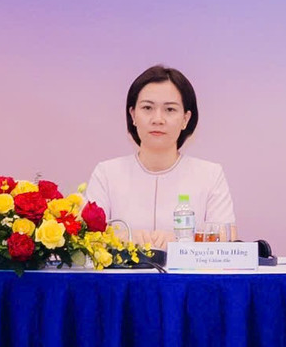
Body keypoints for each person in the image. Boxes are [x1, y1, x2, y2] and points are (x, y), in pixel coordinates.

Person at [84, 65, 234, 248]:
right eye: (147, 107)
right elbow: (86, 239)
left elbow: (226, 241)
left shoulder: (210, 175)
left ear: (185, 119)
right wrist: (123, 237)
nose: (158, 119)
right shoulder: (107, 174)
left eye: (169, 110)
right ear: (133, 115)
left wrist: (183, 241)